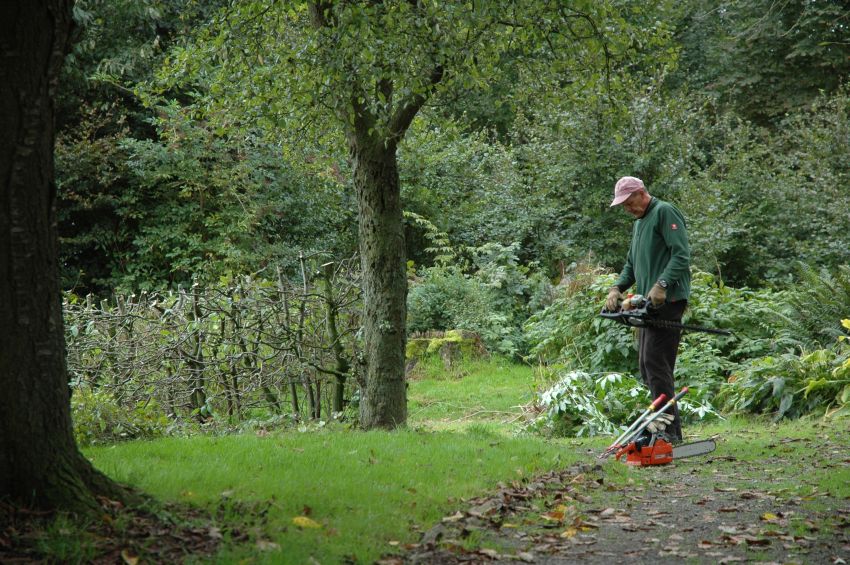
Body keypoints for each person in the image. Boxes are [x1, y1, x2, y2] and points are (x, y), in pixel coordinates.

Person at [605, 176, 691, 443]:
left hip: (668, 300)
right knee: (646, 365)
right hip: (648, 306)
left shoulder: (664, 212)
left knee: (656, 363)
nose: (628, 209)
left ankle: (670, 433)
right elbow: (631, 264)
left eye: (630, 203)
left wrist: (662, 284)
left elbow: (681, 254)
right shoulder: (639, 223)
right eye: (624, 206)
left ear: (642, 193)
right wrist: (616, 288)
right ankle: (664, 426)